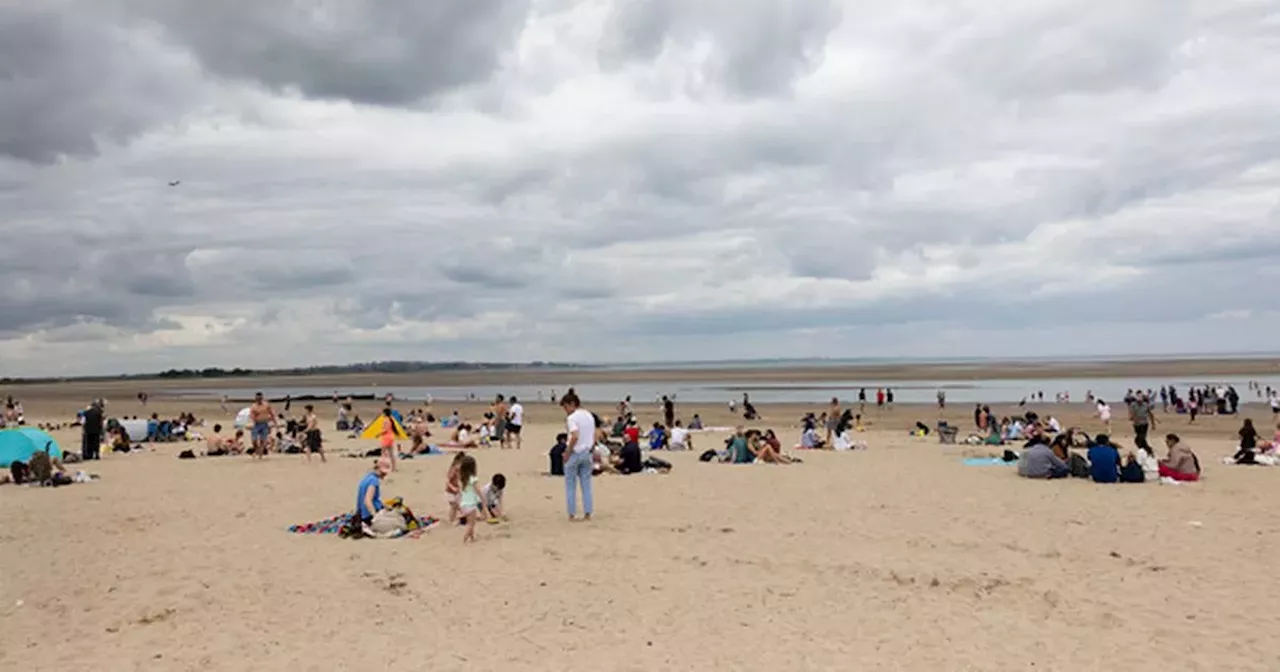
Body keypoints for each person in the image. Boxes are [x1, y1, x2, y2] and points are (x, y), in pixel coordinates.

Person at [561, 390, 595, 521]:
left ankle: (571, 513)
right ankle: (587, 513)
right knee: (586, 484)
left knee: (570, 485)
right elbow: (593, 435)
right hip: (587, 451)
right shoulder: (589, 415)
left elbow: (574, 436)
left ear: (572, 404)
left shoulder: (572, 418)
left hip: (575, 452)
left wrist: (567, 452)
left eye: (566, 407)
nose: (566, 410)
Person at [356, 456, 391, 528]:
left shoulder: (367, 477)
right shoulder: (374, 481)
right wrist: (376, 516)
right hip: (368, 515)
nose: (385, 475)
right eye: (383, 473)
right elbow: (367, 501)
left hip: (361, 512)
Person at [457, 455, 483, 543]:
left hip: (463, 504)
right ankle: (465, 539)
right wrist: (483, 499)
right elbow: (478, 490)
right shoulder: (473, 479)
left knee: (470, 522)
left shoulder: (463, 479)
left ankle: (472, 538)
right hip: (471, 504)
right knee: (471, 524)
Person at [249, 392, 275, 459]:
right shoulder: (253, 406)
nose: (259, 399)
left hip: (264, 424)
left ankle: (260, 455)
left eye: (260, 398)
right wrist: (253, 418)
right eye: (257, 398)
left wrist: (274, 422)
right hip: (256, 424)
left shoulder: (266, 405)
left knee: (262, 440)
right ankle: (257, 450)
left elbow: (272, 413)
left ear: (262, 398)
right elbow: (251, 416)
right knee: (254, 440)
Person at [445, 452, 466, 524]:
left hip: (457, 491)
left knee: (454, 508)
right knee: (455, 505)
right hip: (450, 491)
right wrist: (453, 488)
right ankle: (458, 518)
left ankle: (451, 521)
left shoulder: (459, 470)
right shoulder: (453, 469)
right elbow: (447, 481)